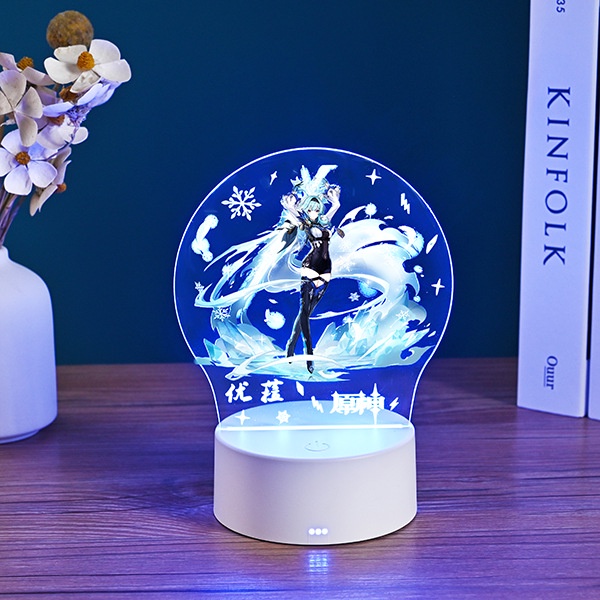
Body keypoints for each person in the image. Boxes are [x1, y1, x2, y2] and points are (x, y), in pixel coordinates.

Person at [282, 184, 343, 373]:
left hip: (326, 268)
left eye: (316, 209)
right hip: (310, 267)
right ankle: (309, 353)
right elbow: (295, 214)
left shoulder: (325, 222)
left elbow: (335, 208)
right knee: (304, 310)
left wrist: (335, 202)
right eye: (310, 209)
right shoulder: (306, 223)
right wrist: (290, 207)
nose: (314, 212)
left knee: (306, 313)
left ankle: (291, 344)